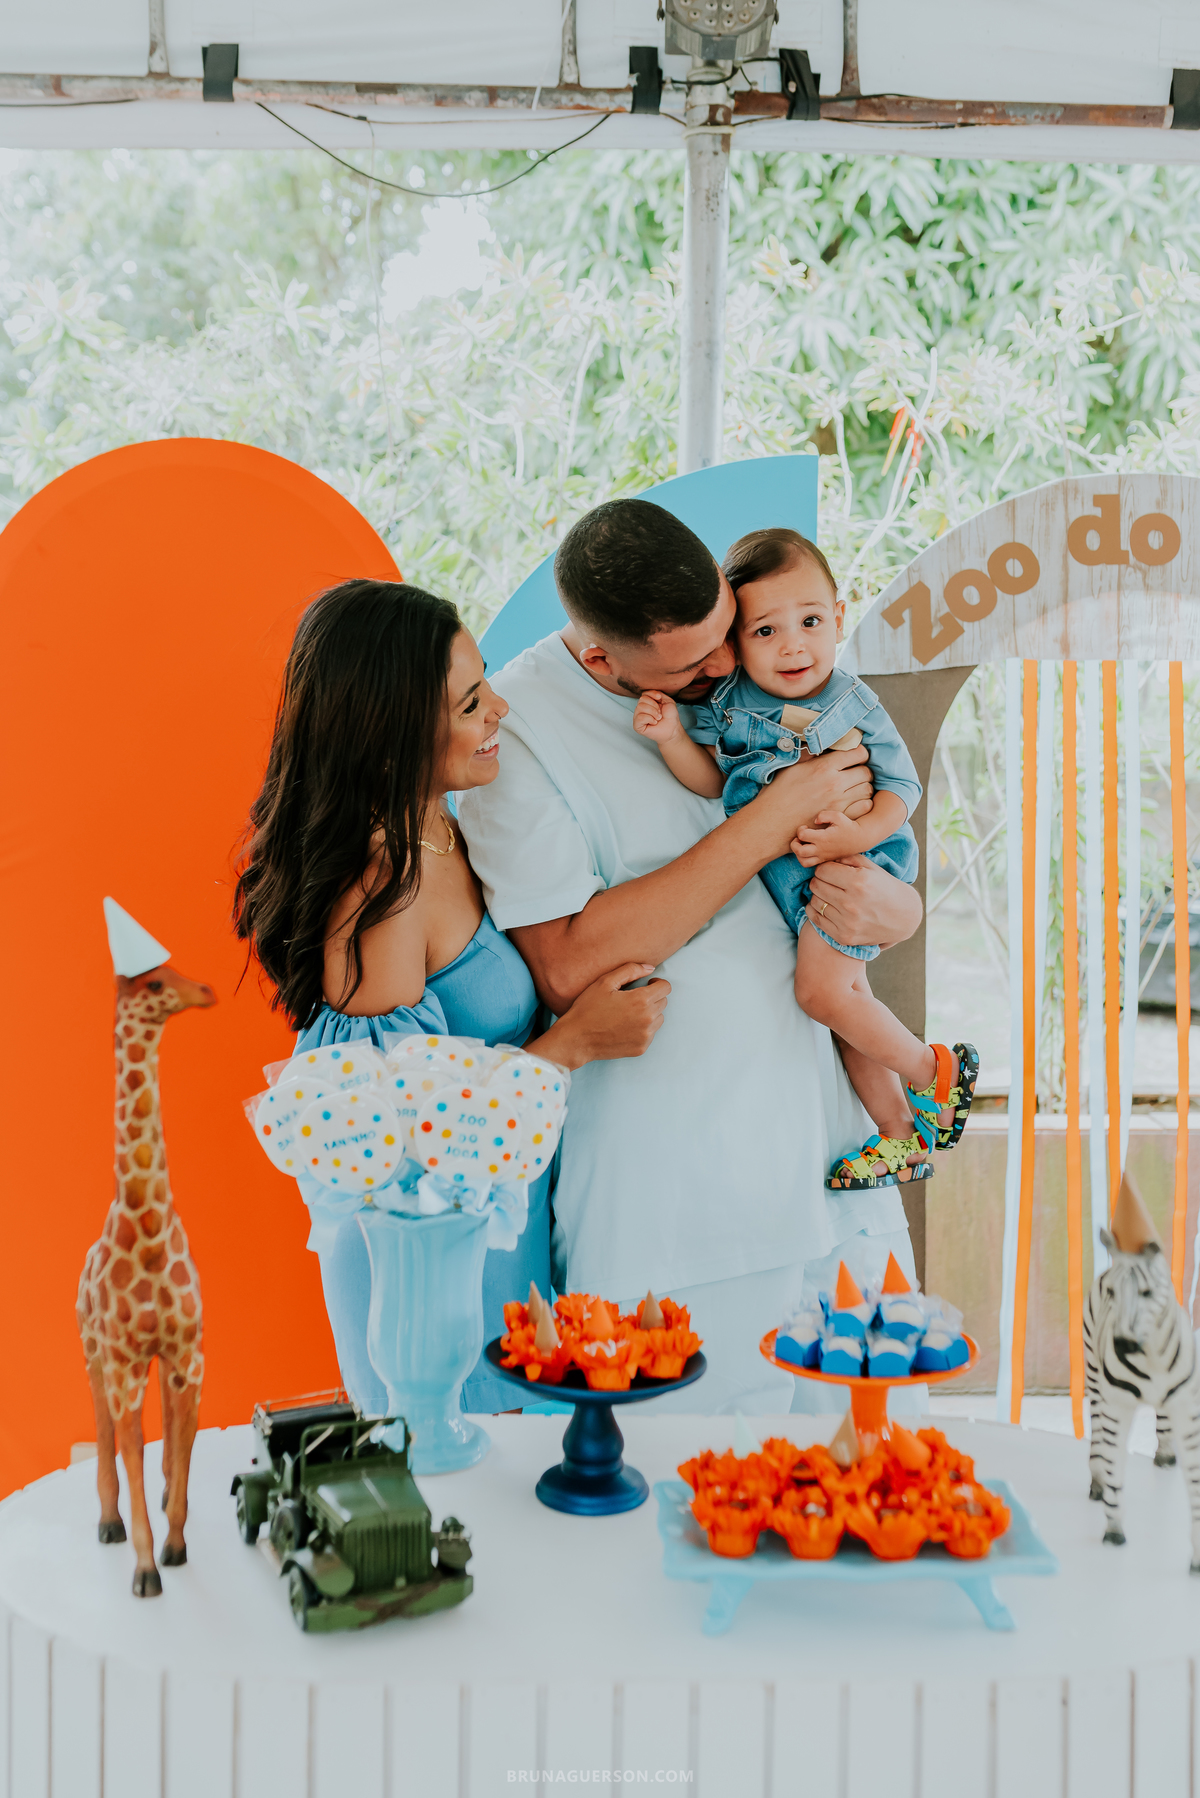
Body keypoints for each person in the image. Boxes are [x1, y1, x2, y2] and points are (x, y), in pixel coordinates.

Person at [457, 498, 927, 1414]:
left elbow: (866, 844)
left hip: (826, 1160)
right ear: (602, 658)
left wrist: (895, 909)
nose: (726, 667)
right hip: (676, 1198)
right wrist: (772, 818)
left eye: (727, 632)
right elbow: (565, 964)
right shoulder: (524, 737)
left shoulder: (766, 660)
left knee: (877, 1469)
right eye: (694, 661)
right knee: (686, 1495)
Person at [233, 578, 668, 1414]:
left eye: (486, 684)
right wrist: (573, 1043)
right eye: (471, 704)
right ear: (393, 741)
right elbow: (392, 1155)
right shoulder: (381, 885)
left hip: (503, 1240)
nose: (500, 709)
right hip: (435, 1284)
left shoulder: (443, 826)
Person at [633, 526, 979, 1191]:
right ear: (734, 641)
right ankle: (899, 1138)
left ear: (837, 618)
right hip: (799, 887)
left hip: (851, 871)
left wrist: (854, 839)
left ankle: (935, 1069)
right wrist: (672, 736)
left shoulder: (851, 699)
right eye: (766, 631)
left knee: (820, 994)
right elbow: (712, 782)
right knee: (851, 1016)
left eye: (811, 621)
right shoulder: (729, 707)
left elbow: (903, 789)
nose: (793, 644)